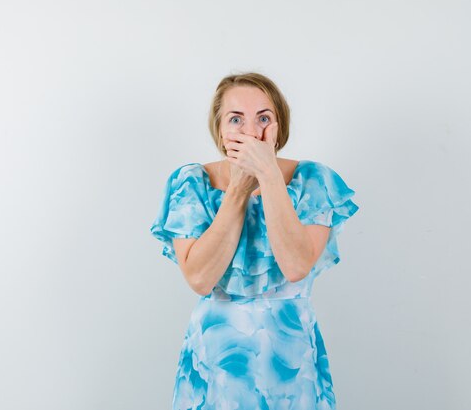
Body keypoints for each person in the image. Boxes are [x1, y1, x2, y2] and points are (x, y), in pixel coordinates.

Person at [149, 72, 360, 409]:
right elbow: (200, 278)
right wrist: (238, 189)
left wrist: (269, 175)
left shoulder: (313, 180)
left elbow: (295, 266)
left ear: (280, 125)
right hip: (216, 361)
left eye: (264, 117)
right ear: (220, 129)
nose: (250, 131)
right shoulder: (192, 183)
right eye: (236, 119)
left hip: (288, 360)